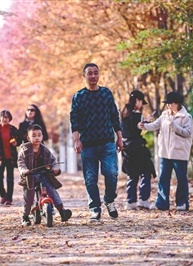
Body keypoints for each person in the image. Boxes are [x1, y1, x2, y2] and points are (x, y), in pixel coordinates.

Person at [70, 63, 123, 222]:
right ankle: (95, 209)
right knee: (91, 178)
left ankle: (109, 199)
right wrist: (76, 140)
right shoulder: (79, 96)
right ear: (84, 76)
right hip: (88, 144)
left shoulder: (106, 93)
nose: (93, 76)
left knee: (111, 173)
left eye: (95, 73)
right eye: (90, 73)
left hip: (107, 142)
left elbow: (115, 116)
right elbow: (74, 120)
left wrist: (119, 137)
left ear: (99, 75)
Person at [139, 91, 193, 211]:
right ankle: (162, 203)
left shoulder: (186, 117)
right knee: (163, 178)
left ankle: (182, 203)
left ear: (177, 103)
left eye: (170, 103)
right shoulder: (164, 115)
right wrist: (144, 126)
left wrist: (173, 124)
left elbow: (187, 133)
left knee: (181, 179)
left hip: (179, 153)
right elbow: (155, 125)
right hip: (165, 153)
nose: (168, 105)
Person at [17, 124, 72, 226]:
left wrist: (55, 168)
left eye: (39, 135)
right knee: (28, 197)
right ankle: (25, 216)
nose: (37, 138)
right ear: (28, 138)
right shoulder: (25, 149)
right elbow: (21, 162)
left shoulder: (44, 149)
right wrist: (24, 170)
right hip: (30, 176)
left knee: (51, 189)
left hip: (43, 175)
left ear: (42, 137)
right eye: (33, 135)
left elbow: (53, 161)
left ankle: (62, 211)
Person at [121, 90, 156, 210]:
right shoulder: (137, 115)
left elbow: (128, 129)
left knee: (132, 174)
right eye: (141, 102)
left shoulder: (124, 113)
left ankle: (130, 202)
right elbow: (139, 130)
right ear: (137, 100)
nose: (141, 105)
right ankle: (143, 200)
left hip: (126, 148)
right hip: (138, 148)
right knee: (146, 171)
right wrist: (145, 123)